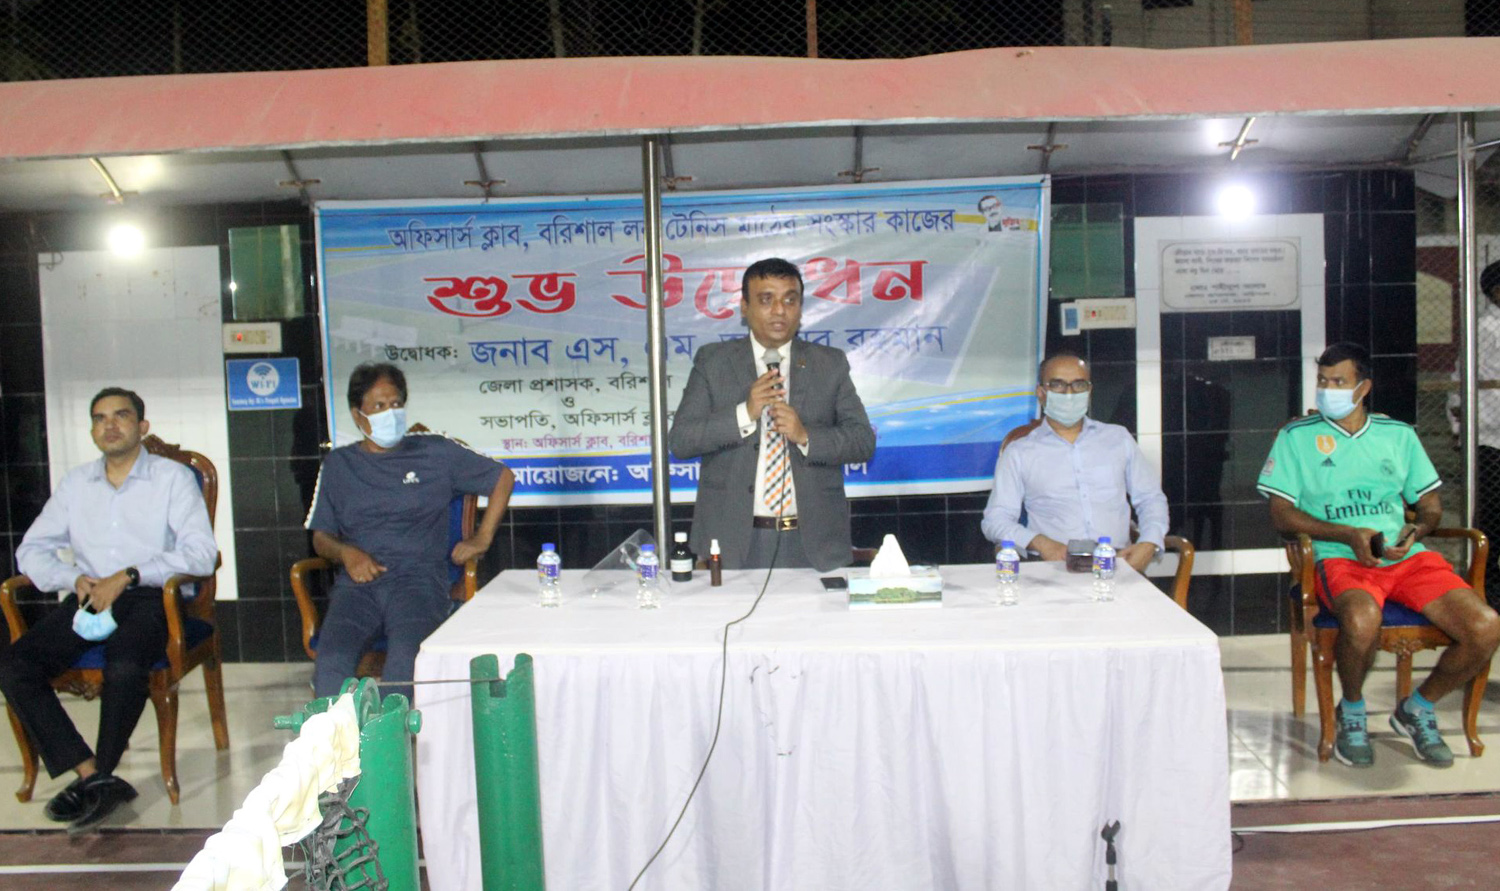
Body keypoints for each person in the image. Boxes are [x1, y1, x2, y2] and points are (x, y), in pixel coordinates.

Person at [1259, 342, 1500, 768]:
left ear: (1363, 387)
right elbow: (1281, 516)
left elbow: (1430, 506)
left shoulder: (1398, 435)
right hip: (1338, 556)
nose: (1327, 390)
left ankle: (1418, 709)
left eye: (1339, 381)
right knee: (1361, 618)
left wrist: (1414, 531)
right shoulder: (1296, 437)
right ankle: (1352, 711)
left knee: (1485, 625)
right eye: (1323, 381)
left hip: (1404, 559)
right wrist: (1348, 533)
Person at [0, 388, 218, 830]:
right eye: (100, 418)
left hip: (150, 596)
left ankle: (99, 775)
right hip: (89, 597)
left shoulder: (172, 479)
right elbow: (31, 551)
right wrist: (72, 579)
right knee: (15, 665)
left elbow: (201, 555)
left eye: (121, 415)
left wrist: (132, 574)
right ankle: (91, 775)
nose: (110, 425)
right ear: (92, 431)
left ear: (142, 426)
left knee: (124, 664)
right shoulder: (76, 484)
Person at [305, 362, 514, 700]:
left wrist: (482, 538)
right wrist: (346, 553)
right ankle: (338, 735)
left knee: (405, 663)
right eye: (379, 406)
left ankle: (393, 734)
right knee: (332, 661)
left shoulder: (436, 452)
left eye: (396, 404)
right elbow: (321, 537)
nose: (390, 413)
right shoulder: (339, 465)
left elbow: (502, 477)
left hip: (419, 584)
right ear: (358, 416)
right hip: (358, 586)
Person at [669, 257, 876, 572]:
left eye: (790, 300)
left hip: (814, 541)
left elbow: (862, 442)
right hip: (732, 539)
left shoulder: (829, 364)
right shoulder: (714, 362)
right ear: (744, 307)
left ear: (800, 308)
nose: (780, 310)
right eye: (767, 300)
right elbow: (681, 441)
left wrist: (805, 435)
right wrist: (745, 413)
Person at [981, 352, 1168, 574]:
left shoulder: (1118, 439)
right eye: (1058, 385)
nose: (1069, 394)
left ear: (1089, 391)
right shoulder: (1019, 452)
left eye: (1078, 385)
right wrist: (1039, 542)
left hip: (1118, 564)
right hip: (1053, 568)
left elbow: (1150, 498)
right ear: (1041, 393)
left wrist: (1150, 542)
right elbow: (996, 519)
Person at [1448, 259, 1500, 608]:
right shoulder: (1485, 328)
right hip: (1490, 438)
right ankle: (1487, 586)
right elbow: (1460, 379)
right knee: (1492, 516)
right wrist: (1458, 427)